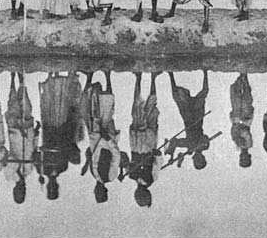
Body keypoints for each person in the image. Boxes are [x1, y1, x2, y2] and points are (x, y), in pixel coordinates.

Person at [36, 71, 83, 200]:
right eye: (54, 187)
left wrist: (38, 164)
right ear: (57, 186)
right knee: (62, 105)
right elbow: (68, 148)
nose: (52, 185)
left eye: (50, 187)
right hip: (61, 130)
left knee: (50, 106)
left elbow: (35, 154)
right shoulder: (63, 167)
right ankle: (64, 77)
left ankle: (52, 76)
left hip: (49, 132)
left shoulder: (42, 170)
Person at [82, 70, 121, 203]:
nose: (96, 191)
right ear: (103, 192)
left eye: (95, 193)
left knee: (88, 107)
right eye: (98, 193)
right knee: (107, 106)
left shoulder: (94, 174)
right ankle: (107, 74)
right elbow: (116, 156)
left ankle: (89, 74)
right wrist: (108, 139)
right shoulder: (111, 176)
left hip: (94, 135)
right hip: (106, 136)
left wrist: (86, 162)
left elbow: (92, 154)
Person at [126, 72, 163, 207]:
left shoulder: (131, 175)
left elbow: (125, 161)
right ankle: (153, 77)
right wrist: (157, 155)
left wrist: (126, 167)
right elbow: (158, 163)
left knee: (137, 109)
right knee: (151, 110)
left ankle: (138, 77)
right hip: (148, 144)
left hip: (136, 144)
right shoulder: (152, 178)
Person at [4, 71, 40, 204]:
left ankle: (12, 76)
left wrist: (18, 178)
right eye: (23, 191)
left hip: (15, 132)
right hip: (28, 132)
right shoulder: (29, 170)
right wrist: (36, 133)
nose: (21, 188)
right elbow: (34, 150)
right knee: (26, 103)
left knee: (13, 102)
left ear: (15, 190)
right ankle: (21, 79)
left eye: (19, 191)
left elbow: (11, 159)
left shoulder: (9, 175)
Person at [166, 70, 210, 170]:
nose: (198, 159)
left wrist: (171, 155)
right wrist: (196, 147)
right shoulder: (205, 146)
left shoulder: (188, 146)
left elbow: (174, 141)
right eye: (200, 160)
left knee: (176, 95)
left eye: (196, 161)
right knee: (204, 92)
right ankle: (205, 71)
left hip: (188, 117)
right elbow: (205, 138)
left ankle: (170, 73)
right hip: (198, 117)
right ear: (203, 158)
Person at [230, 73, 254, 168]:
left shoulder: (238, 145)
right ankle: (245, 77)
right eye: (245, 158)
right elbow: (245, 132)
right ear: (248, 156)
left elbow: (233, 132)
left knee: (235, 97)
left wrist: (235, 122)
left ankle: (241, 78)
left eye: (242, 159)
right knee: (246, 97)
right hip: (245, 118)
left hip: (237, 118)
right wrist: (239, 122)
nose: (243, 157)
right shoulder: (248, 144)